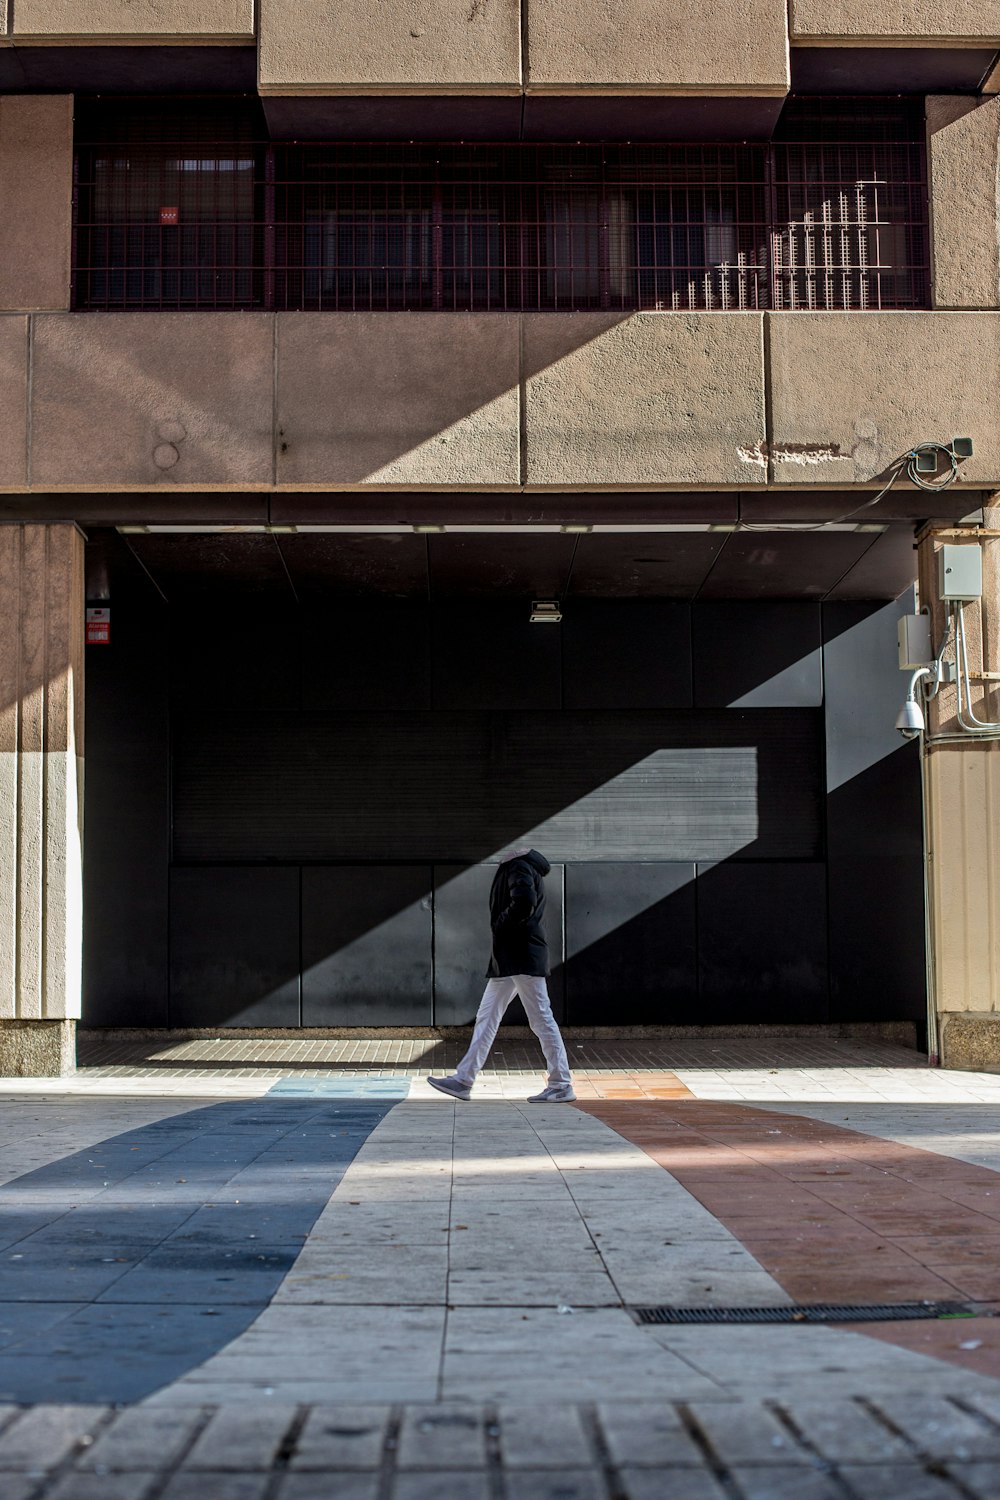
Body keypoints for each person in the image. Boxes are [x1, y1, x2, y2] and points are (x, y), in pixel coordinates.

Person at [428, 847, 576, 1103]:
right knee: (487, 1018)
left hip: (521, 956)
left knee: (541, 1019)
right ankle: (463, 1080)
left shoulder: (519, 866)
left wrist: (501, 925)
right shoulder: (518, 866)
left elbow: (524, 902)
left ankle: (561, 1083)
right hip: (511, 958)